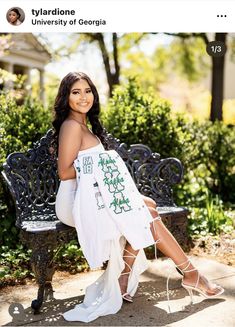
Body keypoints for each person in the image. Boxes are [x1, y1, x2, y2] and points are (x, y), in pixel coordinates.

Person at [53, 72, 224, 322]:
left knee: (149, 206)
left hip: (94, 194)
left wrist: (100, 169)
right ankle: (191, 273)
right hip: (76, 201)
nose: (83, 97)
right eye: (75, 92)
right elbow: (65, 172)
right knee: (147, 214)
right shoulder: (70, 126)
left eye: (87, 91)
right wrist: (98, 166)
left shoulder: (83, 125)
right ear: (66, 97)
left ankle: (125, 278)